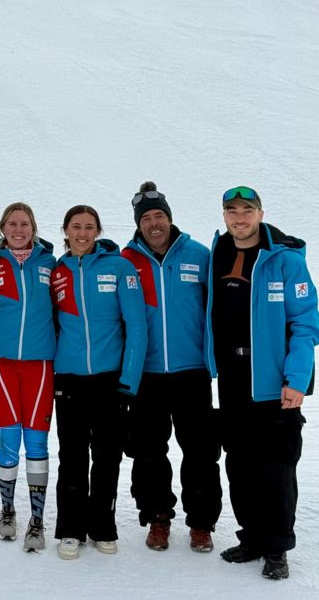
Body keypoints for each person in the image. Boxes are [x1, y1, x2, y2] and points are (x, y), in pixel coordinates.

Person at [206, 186, 318, 580]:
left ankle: (277, 548)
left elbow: (306, 324)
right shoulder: (218, 253)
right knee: (240, 463)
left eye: (247, 210)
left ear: (260, 212)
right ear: (224, 216)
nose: (239, 218)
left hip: (273, 383)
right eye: (232, 211)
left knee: (276, 467)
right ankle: (252, 536)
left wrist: (297, 380)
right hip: (233, 379)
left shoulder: (285, 260)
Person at [120, 182, 221, 553]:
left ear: (170, 218)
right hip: (145, 374)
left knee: (200, 451)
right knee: (147, 451)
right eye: (146, 218)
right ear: (138, 224)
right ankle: (157, 517)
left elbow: (219, 307)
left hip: (191, 371)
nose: (153, 223)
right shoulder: (125, 261)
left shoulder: (199, 254)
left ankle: (201, 523)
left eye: (159, 215)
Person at [50, 205, 146, 560]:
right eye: (76, 226)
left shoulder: (119, 267)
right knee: (71, 456)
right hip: (70, 379)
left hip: (110, 380)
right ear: (65, 230)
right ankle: (71, 528)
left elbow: (137, 327)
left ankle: (103, 525)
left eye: (89, 227)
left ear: (98, 231)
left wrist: (129, 382)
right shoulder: (56, 272)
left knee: (107, 457)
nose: (82, 233)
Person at [0, 202, 56, 552]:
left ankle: (37, 520)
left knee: (37, 441)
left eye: (25, 223)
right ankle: (8, 510)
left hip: (41, 362)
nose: (18, 229)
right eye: (11, 223)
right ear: (2, 228)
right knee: (8, 439)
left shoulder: (50, 263)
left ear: (34, 227)